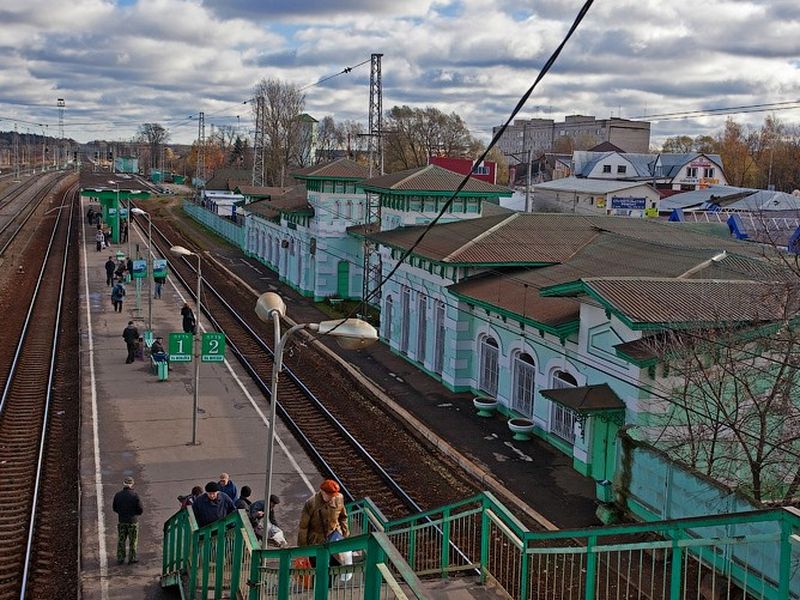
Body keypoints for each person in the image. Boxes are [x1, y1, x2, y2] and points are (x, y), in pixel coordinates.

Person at [298, 479, 349, 553]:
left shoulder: (339, 498)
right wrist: (303, 549)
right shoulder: (311, 503)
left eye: (334, 495)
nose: (332, 498)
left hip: (334, 537)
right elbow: (303, 527)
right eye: (329, 495)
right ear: (322, 492)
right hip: (316, 541)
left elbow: (343, 517)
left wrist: (345, 533)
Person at [112, 476, 143, 565]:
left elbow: (114, 508)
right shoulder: (135, 496)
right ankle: (132, 558)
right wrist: (134, 514)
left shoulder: (118, 495)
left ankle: (120, 557)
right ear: (132, 484)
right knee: (133, 541)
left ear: (124, 484)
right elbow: (140, 509)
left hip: (122, 520)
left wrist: (121, 513)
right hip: (133, 521)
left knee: (121, 540)